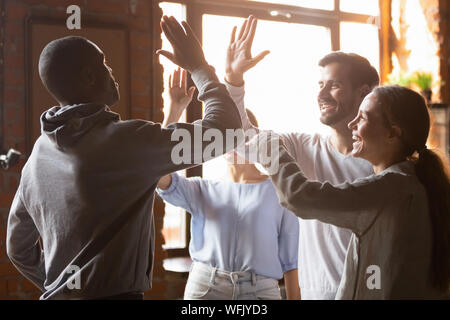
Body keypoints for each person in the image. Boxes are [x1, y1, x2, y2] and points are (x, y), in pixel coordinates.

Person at [6, 16, 243, 299]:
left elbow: (17, 247)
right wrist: (199, 67)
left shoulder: (36, 159)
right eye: (104, 63)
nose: (111, 71)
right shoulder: (125, 141)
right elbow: (226, 131)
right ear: (89, 77)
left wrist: (63, 286)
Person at [224, 15, 379, 299]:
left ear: (364, 93)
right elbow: (243, 137)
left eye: (333, 85)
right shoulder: (299, 147)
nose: (321, 93)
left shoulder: (385, 163)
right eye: (319, 84)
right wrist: (234, 80)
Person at [254, 85, 450, 299]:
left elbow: (299, 197)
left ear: (393, 133)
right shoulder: (415, 182)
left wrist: (271, 150)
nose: (351, 124)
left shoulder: (391, 188)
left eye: (363, 118)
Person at [156, 68, 300, 300]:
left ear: (253, 138)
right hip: (205, 288)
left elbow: (291, 261)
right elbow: (159, 174)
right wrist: (174, 110)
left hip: (261, 292)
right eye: (225, 136)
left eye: (239, 135)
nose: (233, 144)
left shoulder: (280, 190)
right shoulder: (202, 189)